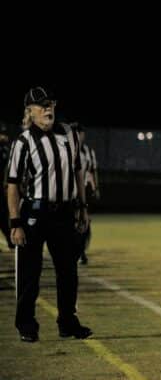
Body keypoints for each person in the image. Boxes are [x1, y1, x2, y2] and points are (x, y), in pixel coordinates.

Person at [6, 87, 92, 342]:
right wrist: (15, 222)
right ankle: (26, 324)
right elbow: (12, 184)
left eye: (50, 104)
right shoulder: (22, 142)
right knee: (29, 273)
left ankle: (67, 322)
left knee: (68, 271)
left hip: (64, 212)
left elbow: (77, 171)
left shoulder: (69, 134)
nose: (48, 109)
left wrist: (82, 207)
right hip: (35, 212)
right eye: (41, 105)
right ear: (29, 112)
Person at [72, 123, 100, 264]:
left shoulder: (89, 152)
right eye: (77, 133)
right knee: (73, 221)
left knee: (85, 220)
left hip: (85, 188)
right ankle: (74, 249)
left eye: (81, 133)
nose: (80, 136)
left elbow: (93, 170)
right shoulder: (68, 150)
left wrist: (96, 188)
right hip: (72, 190)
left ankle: (81, 250)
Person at [1, 121, 14, 250]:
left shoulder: (6, 149)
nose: (4, 137)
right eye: (2, 134)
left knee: (5, 215)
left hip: (4, 188)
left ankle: (10, 239)